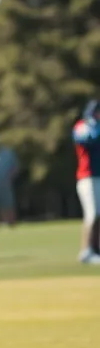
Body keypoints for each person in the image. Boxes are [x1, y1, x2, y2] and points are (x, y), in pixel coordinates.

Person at [73, 100, 100, 263]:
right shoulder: (83, 126)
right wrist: (94, 125)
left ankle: (96, 249)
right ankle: (86, 251)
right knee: (91, 215)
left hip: (98, 176)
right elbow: (87, 139)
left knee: (99, 215)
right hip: (87, 177)